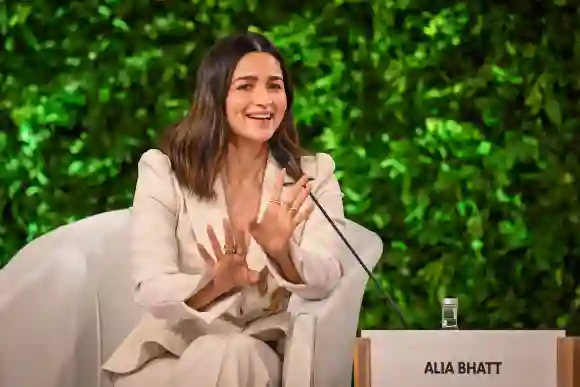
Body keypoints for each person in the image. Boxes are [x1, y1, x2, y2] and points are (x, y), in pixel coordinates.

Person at [102, 31, 346, 387]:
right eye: (246, 86)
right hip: (174, 349)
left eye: (274, 86)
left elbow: (327, 275)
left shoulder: (312, 174)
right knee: (213, 353)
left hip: (257, 350)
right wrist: (215, 285)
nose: (263, 100)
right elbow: (151, 285)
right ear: (216, 96)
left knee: (229, 352)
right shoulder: (164, 170)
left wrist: (284, 253)